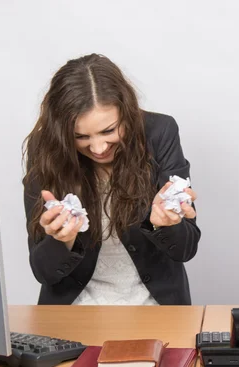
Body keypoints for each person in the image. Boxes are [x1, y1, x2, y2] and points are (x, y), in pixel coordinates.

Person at [23, 54, 200, 305]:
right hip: (74, 312)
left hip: (155, 309)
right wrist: (61, 241)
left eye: (108, 131)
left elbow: (186, 249)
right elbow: (44, 273)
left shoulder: (160, 132)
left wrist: (165, 224)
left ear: (127, 112)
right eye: (80, 136)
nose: (97, 148)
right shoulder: (45, 149)